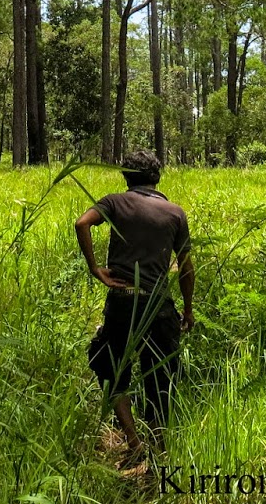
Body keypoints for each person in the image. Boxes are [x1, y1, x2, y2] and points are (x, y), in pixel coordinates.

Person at [74, 150, 194, 469]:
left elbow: (82, 223)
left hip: (123, 299)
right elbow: (186, 267)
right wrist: (189, 310)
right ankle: (158, 443)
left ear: (126, 176)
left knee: (113, 371)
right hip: (158, 305)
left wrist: (95, 269)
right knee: (162, 375)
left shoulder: (115, 202)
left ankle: (133, 442)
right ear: (157, 178)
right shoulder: (175, 213)